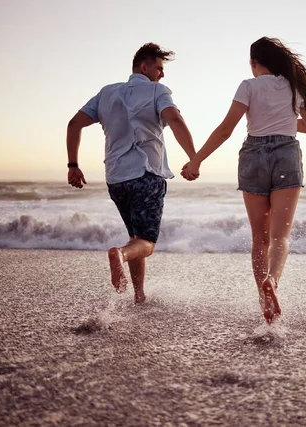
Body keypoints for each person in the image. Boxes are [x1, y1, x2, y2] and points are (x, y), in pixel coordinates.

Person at [181, 37, 306, 323]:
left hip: (252, 156)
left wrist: (197, 160)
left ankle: (263, 298)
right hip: (286, 154)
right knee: (280, 237)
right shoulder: (294, 86)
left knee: (259, 238)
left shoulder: (248, 86)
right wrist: (285, 121)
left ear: (254, 63)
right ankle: (272, 281)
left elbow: (226, 129)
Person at [67, 43, 196, 304]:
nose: (162, 74)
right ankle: (120, 255)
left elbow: (74, 124)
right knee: (146, 242)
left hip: (115, 178)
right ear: (144, 66)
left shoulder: (106, 93)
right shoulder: (157, 91)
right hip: (147, 175)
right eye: (159, 68)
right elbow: (175, 120)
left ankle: (139, 295)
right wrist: (195, 158)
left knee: (136, 238)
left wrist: (73, 165)